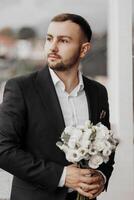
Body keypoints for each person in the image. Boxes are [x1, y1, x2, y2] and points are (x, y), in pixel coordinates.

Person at [0, 13, 115, 200]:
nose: (52, 47)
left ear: (84, 49)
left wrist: (102, 177)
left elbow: (107, 147)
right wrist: (62, 176)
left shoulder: (98, 92)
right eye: (49, 39)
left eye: (64, 41)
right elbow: (3, 150)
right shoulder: (21, 88)